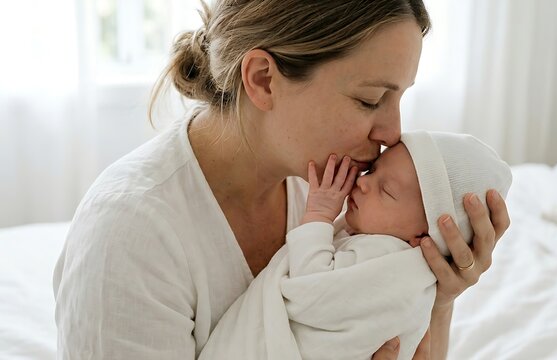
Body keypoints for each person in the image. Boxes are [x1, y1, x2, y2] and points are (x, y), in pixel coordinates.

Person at [52, 1, 511, 359]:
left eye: (399, 98)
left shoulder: (338, 188)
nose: (393, 132)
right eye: (371, 99)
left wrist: (440, 296)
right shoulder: (131, 236)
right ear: (264, 79)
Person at [198, 130, 512, 360]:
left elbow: (310, 288)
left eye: (386, 190)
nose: (362, 181)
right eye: (373, 171)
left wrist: (319, 215)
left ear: (424, 237)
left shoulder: (388, 260)